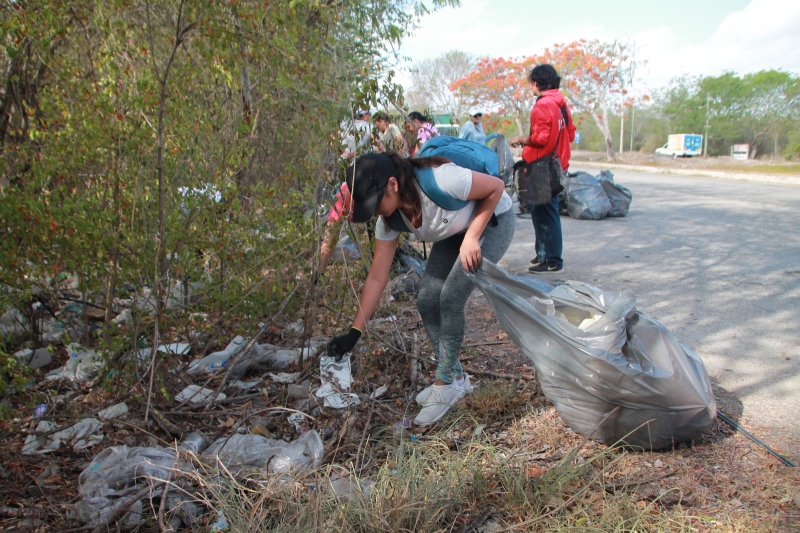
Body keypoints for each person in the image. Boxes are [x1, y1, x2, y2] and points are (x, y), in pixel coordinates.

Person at [327, 152, 515, 425]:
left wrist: (472, 238)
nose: (376, 210)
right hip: (455, 229)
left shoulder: (442, 180)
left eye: (376, 201)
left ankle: (445, 384)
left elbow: (496, 187)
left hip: (491, 221)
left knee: (451, 298)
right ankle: (457, 380)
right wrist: (354, 333)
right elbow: (377, 277)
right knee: (426, 300)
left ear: (393, 184)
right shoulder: (390, 219)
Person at [510, 64, 575, 274]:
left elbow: (540, 138)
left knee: (546, 212)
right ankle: (543, 254)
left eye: (532, 83)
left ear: (537, 83)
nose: (531, 88)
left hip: (542, 166)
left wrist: (521, 139)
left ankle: (553, 259)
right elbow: (570, 134)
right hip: (556, 164)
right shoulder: (561, 104)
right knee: (541, 211)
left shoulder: (543, 105)